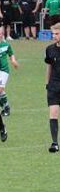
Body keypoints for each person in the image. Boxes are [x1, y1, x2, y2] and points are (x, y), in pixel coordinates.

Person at [45, 23, 60, 152]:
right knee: (53, 113)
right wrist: (47, 83)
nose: (54, 36)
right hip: (54, 86)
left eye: (57, 34)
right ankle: (55, 143)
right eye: (53, 34)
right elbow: (49, 66)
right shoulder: (50, 49)